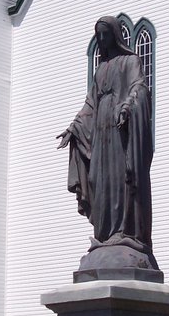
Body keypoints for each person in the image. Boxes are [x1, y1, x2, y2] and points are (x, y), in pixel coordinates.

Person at [57, 16, 155, 267]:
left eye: (105, 34)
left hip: (121, 131)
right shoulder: (100, 69)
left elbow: (140, 87)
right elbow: (90, 103)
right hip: (101, 133)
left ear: (114, 35)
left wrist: (128, 106)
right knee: (100, 181)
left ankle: (125, 231)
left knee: (122, 181)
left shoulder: (129, 61)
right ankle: (105, 233)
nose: (101, 40)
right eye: (98, 35)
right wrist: (74, 127)